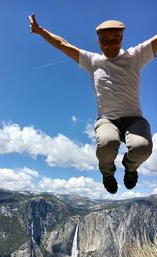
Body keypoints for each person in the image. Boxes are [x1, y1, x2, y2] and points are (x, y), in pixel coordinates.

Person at [29, 14, 157, 194]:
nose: (110, 45)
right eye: (105, 41)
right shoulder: (92, 61)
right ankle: (107, 174)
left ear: (122, 39)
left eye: (115, 40)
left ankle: (130, 169)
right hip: (107, 120)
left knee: (142, 148)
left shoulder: (136, 56)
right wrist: (40, 31)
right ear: (98, 42)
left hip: (134, 119)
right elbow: (63, 44)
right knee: (106, 143)